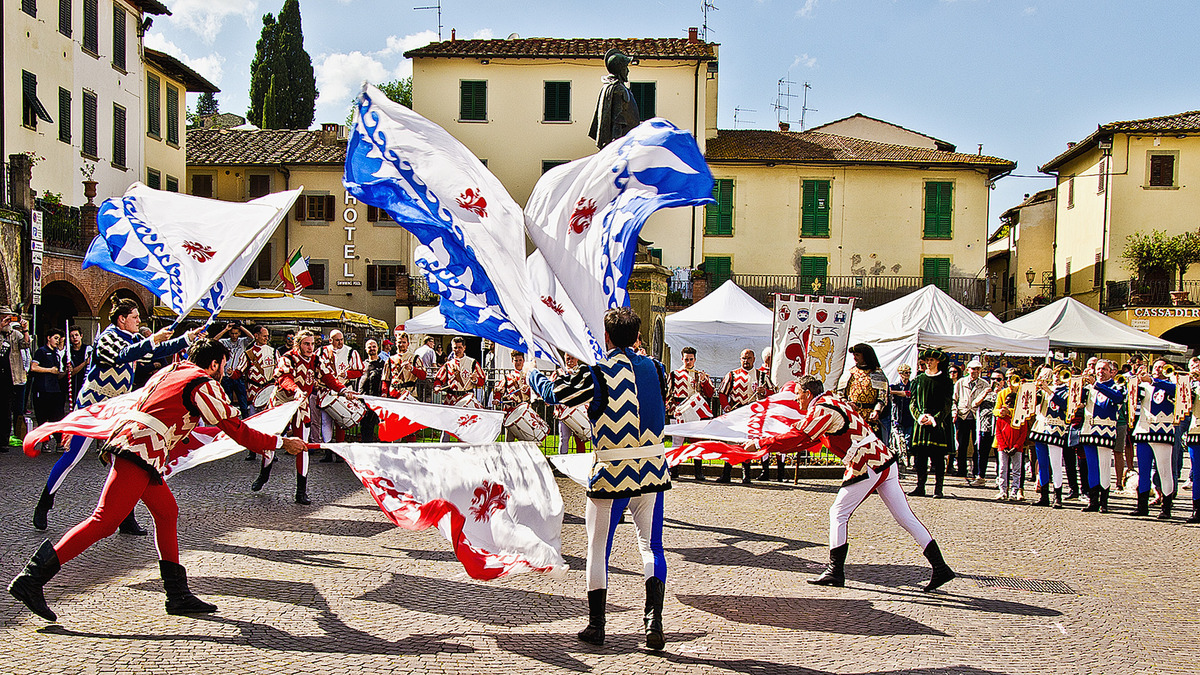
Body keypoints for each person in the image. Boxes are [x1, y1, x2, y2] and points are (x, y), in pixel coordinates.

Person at [8, 338, 307, 622]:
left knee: (166, 512)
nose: (223, 372)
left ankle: (177, 594)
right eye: (223, 365)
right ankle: (31, 579)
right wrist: (281, 443)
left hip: (136, 449)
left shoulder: (171, 370)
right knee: (104, 521)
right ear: (214, 364)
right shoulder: (202, 383)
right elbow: (237, 430)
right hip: (139, 452)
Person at [527, 307, 671, 650]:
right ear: (638, 335)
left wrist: (532, 374)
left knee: (597, 549)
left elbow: (556, 394)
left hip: (611, 473)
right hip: (652, 468)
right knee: (651, 547)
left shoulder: (598, 372)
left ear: (606, 336)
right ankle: (654, 622)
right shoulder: (657, 369)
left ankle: (597, 625)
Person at [744, 375, 954, 592]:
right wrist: (768, 447)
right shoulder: (835, 402)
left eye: (798, 394)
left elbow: (800, 435)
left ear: (808, 393)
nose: (796, 400)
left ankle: (835, 570)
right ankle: (940, 567)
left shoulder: (823, 409)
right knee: (905, 517)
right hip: (884, 460)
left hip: (866, 463)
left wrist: (761, 443)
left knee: (838, 513)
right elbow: (807, 439)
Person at [31, 300, 196, 534]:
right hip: (93, 406)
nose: (139, 321)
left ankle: (125, 517)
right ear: (122, 319)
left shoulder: (133, 338)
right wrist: (152, 339)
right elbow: (121, 356)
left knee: (123, 460)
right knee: (73, 457)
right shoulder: (107, 338)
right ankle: (45, 503)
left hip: (119, 408)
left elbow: (155, 351)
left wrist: (187, 338)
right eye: (135, 317)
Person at [252, 329, 354, 504]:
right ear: (297, 344)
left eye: (312, 344)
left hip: (302, 404)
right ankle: (264, 473)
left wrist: (343, 391)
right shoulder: (287, 358)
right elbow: (284, 378)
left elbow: (328, 377)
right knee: (271, 440)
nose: (310, 347)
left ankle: (301, 491)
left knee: (302, 446)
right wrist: (296, 390)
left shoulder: (315, 360)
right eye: (306, 344)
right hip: (282, 402)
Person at [1130, 359, 1178, 519]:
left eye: (1161, 367)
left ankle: (1166, 507)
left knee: (1164, 470)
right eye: (1156, 367)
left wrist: (1152, 380)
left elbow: (1175, 391)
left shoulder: (1172, 384)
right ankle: (1141, 505)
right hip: (1143, 430)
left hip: (1162, 432)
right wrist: (1134, 383)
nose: (1157, 369)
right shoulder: (1145, 385)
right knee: (1143, 471)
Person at [1080, 359, 1124, 513]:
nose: (1100, 371)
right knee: (1092, 467)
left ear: (1111, 371)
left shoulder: (1117, 386)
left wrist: (1096, 385)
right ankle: (1093, 501)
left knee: (1104, 466)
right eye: (1098, 368)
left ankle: (1104, 501)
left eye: (1104, 369)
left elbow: (1118, 398)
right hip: (1088, 430)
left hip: (1106, 430)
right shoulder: (1088, 387)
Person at [908, 349, 953, 498]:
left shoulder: (945, 381)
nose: (928, 363)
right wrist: (919, 417)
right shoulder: (918, 379)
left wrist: (935, 418)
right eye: (927, 360)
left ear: (938, 362)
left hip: (937, 424)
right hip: (921, 423)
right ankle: (920, 487)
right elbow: (912, 402)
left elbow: (947, 404)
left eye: (931, 360)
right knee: (920, 458)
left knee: (938, 458)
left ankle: (938, 488)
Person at [317, 330, 364, 460]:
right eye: (337, 340)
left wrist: (347, 374)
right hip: (325, 391)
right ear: (330, 340)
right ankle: (327, 450)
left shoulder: (351, 352)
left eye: (342, 339)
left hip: (343, 390)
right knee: (325, 421)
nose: (340, 342)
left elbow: (360, 371)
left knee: (341, 419)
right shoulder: (321, 352)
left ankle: (339, 452)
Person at [669, 346, 715, 480]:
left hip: (695, 412)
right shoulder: (674, 374)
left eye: (691, 359)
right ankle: (674, 469)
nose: (688, 362)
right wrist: (671, 408)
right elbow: (668, 394)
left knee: (696, 442)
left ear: (695, 359)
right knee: (677, 442)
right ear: (682, 358)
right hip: (679, 410)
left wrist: (705, 381)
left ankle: (698, 471)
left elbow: (710, 393)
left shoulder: (699, 375)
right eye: (686, 359)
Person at [1028, 367, 1069, 508]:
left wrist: (1049, 391)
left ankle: (1058, 496)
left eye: (1060, 374)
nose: (1057, 377)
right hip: (1041, 428)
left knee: (1056, 464)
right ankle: (1044, 496)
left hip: (1057, 430)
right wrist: (1034, 388)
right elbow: (1032, 403)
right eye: (1055, 374)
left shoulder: (1067, 391)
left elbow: (1065, 405)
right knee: (1043, 464)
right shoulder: (1046, 389)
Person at [718, 348, 761, 483]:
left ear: (754, 359)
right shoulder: (732, 375)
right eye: (743, 358)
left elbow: (771, 393)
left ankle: (746, 474)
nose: (746, 361)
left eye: (748, 358)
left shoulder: (761, 376)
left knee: (748, 442)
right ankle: (727, 473)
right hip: (736, 412)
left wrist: (764, 391)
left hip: (752, 413)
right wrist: (726, 406)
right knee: (731, 442)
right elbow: (722, 393)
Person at [588, 48, 641, 149]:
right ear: (620, 70)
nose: (628, 71)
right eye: (625, 67)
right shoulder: (618, 89)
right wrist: (617, 147)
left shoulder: (609, 87)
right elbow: (618, 119)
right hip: (623, 143)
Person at [29, 329, 69, 452]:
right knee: (42, 417)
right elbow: (33, 367)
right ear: (48, 338)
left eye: (59, 339)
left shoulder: (56, 354)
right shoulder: (41, 351)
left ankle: (59, 442)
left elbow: (56, 373)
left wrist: (66, 372)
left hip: (55, 389)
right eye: (55, 338)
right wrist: (49, 370)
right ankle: (44, 442)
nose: (57, 341)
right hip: (42, 389)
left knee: (57, 416)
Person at [993, 369, 1030, 502]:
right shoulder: (1003, 393)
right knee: (1002, 468)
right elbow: (995, 410)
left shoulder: (1024, 392)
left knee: (1017, 469)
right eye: (1007, 378)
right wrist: (1002, 412)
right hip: (1004, 437)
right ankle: (1003, 490)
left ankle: (1018, 490)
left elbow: (1027, 411)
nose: (1009, 381)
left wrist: (1010, 411)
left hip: (1017, 437)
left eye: (1012, 378)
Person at [1, 309, 32, 450]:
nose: (8, 321)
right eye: (5, 318)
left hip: (12, 377)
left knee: (8, 410)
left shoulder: (15, 334)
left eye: (9, 318)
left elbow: (26, 344)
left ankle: (4, 440)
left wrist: (25, 330)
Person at [953, 359, 989, 481]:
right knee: (962, 444)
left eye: (978, 369)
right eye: (973, 369)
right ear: (968, 370)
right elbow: (954, 399)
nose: (975, 371)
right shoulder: (960, 382)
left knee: (977, 444)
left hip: (977, 417)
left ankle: (976, 470)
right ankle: (961, 469)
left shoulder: (984, 384)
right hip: (963, 415)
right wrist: (954, 412)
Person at [434, 337, 486, 408]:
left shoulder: (472, 363)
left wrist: (475, 379)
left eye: (460, 347)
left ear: (464, 347)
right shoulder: (448, 364)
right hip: (451, 398)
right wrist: (437, 386)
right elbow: (438, 379)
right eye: (455, 347)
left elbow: (482, 380)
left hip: (467, 397)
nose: (457, 350)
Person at [554, 353, 588, 454]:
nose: (570, 361)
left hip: (578, 411)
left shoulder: (582, 371)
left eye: (572, 358)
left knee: (580, 439)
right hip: (563, 412)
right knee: (564, 438)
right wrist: (555, 409)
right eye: (567, 359)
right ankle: (563, 464)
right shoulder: (558, 372)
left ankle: (582, 464)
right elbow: (552, 391)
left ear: (577, 358)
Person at [358, 339, 388, 443]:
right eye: (370, 347)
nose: (372, 349)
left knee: (383, 430)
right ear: (366, 349)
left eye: (374, 346)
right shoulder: (362, 365)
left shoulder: (384, 364)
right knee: (366, 431)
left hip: (380, 402)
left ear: (378, 348)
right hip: (365, 402)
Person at [387, 332, 426, 401]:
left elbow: (423, 376)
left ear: (408, 344)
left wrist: (412, 369)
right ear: (396, 343)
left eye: (404, 342)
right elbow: (386, 379)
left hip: (410, 394)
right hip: (394, 394)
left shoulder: (415, 358)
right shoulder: (390, 359)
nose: (401, 344)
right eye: (399, 342)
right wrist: (384, 393)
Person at [890, 364, 915, 465]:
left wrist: (897, 392)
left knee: (908, 440)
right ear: (900, 374)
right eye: (906, 373)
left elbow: (909, 393)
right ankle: (900, 460)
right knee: (899, 439)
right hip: (898, 416)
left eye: (909, 372)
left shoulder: (912, 385)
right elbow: (889, 391)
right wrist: (899, 392)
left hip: (909, 416)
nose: (908, 375)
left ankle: (906, 458)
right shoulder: (895, 385)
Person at [67, 326, 91, 403]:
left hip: (86, 384)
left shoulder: (88, 350)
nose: (75, 338)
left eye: (76, 335)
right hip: (73, 386)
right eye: (72, 336)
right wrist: (84, 363)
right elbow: (71, 372)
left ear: (81, 336)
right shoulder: (68, 353)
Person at [413, 336, 439, 401]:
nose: (434, 344)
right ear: (428, 342)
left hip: (418, 376)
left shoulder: (417, 350)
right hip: (428, 376)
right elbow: (433, 365)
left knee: (420, 396)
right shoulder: (431, 351)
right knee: (428, 396)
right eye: (432, 342)